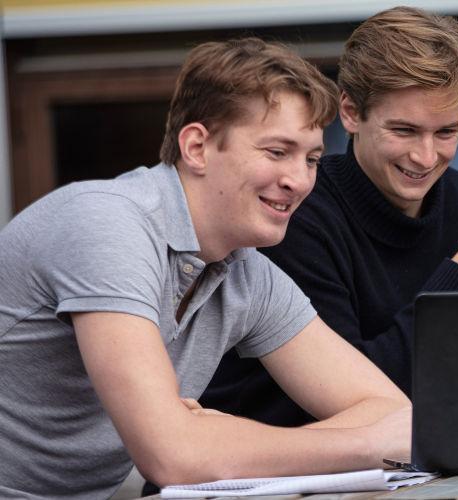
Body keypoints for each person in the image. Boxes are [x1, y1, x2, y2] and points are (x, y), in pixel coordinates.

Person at [0, 38, 411, 499]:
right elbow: (174, 457)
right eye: (277, 152)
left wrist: (225, 438)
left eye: (312, 159)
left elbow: (397, 417)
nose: (299, 180)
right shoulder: (107, 223)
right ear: (196, 146)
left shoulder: (246, 272)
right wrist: (363, 445)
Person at [200, 6, 458, 426]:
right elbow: (358, 401)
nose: (425, 156)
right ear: (349, 112)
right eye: (404, 130)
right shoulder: (292, 211)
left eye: (446, 132)